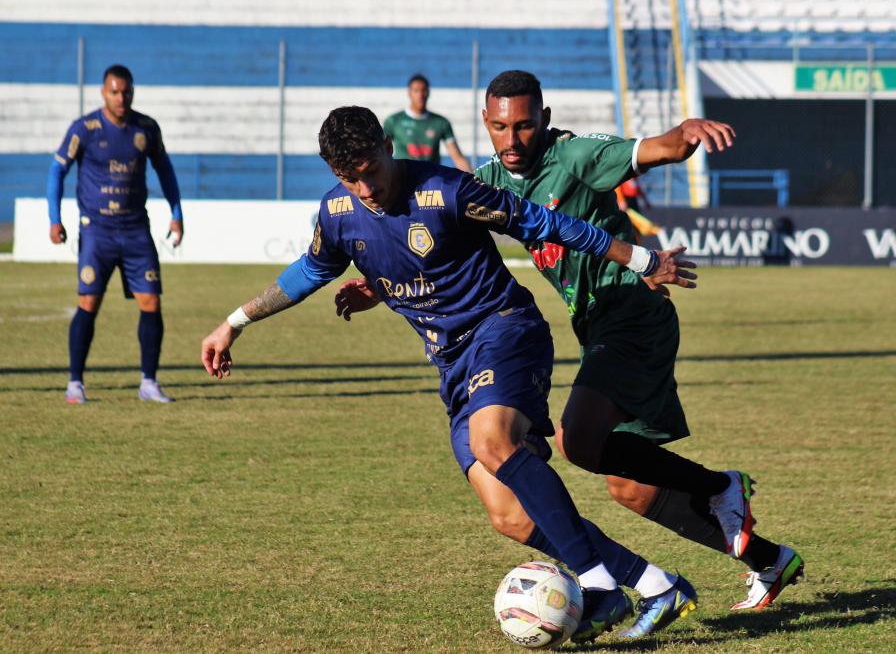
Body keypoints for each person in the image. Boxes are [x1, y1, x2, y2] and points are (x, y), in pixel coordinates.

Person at [201, 106, 701, 643]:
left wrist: (636, 258)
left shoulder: (449, 190)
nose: (366, 187)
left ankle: (600, 584)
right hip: (452, 363)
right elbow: (309, 271)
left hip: (504, 329)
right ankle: (653, 582)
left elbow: (543, 221)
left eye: (371, 169)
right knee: (509, 515)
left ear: (388, 146)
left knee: (494, 444)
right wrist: (234, 323)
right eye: (350, 178)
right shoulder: (337, 214)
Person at [338, 71, 804, 628]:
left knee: (577, 439)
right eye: (500, 127)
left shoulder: (575, 156)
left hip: (633, 315)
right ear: (486, 125)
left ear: (545, 118)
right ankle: (768, 558)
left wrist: (688, 131)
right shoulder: (490, 181)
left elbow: (655, 148)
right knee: (629, 487)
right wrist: (378, 284)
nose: (513, 140)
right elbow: (441, 238)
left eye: (525, 125)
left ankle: (718, 488)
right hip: (593, 327)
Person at [49, 64, 183, 404]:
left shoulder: (147, 127)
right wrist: (55, 218)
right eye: (114, 91)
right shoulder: (85, 128)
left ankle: (149, 383)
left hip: (137, 229)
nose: (121, 98)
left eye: (126, 91)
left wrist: (176, 214)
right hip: (98, 232)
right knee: (88, 303)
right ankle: (75, 383)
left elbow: (164, 170)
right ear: (103, 92)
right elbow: (57, 170)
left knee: (151, 302)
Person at [383, 74, 472, 172]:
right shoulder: (394, 121)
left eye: (423, 90)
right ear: (409, 93)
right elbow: (381, 153)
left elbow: (457, 157)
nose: (420, 95)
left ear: (428, 92)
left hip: (431, 180)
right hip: (402, 179)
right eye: (416, 91)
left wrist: (474, 179)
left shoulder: (441, 122)